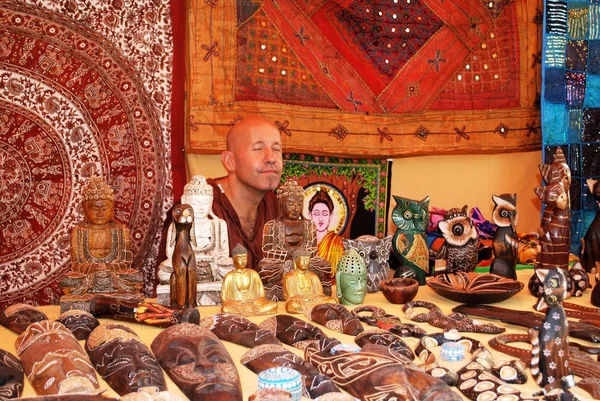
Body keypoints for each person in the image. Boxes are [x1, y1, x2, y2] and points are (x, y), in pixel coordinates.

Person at [208, 116, 283, 270]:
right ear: (230, 161)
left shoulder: (277, 206)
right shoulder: (203, 209)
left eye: (276, 149)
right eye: (258, 148)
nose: (271, 158)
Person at [59, 176, 143, 296]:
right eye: (94, 209)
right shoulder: (78, 231)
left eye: (104, 208)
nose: (100, 214)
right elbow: (76, 264)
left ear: (112, 208)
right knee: (67, 281)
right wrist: (93, 268)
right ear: (85, 209)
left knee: (137, 277)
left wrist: (108, 267)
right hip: (88, 277)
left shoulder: (121, 230)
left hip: (115, 276)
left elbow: (126, 261)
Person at [258, 181, 333, 301]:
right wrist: (288, 255)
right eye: (290, 204)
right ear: (281, 205)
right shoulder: (271, 225)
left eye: (299, 204)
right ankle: (276, 289)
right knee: (265, 269)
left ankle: (316, 287)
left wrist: (301, 256)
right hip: (281, 263)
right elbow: (267, 250)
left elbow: (313, 249)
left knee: (325, 266)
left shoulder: (309, 225)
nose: (295, 208)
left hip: (305, 264)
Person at [220, 244, 277, 316]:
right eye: (240, 258)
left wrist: (253, 302)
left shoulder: (253, 274)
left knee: (273, 305)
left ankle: (250, 311)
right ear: (234, 260)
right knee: (226, 309)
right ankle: (250, 312)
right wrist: (241, 303)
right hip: (238, 306)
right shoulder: (229, 276)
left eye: (245, 258)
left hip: (254, 305)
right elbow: (224, 299)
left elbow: (262, 295)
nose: (243, 261)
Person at [283, 249, 337, 314]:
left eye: (307, 260)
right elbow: (290, 296)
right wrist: (303, 299)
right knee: (292, 305)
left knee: (332, 301)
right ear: (295, 261)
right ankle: (318, 309)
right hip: (300, 301)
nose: (305, 263)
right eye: (303, 260)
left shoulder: (313, 276)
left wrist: (314, 299)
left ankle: (314, 309)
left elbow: (320, 294)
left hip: (314, 300)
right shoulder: (290, 277)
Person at [308, 189, 344, 275]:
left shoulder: (338, 243)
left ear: (330, 216)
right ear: (310, 216)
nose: (320, 219)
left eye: (324, 214)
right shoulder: (304, 242)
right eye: (316, 214)